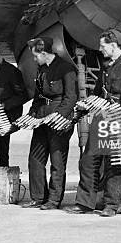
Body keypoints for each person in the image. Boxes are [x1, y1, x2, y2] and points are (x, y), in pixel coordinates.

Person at [66, 29, 121, 217]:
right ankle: (85, 203)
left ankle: (111, 205)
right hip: (100, 118)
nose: (100, 49)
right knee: (88, 160)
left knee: (115, 163)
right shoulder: (106, 66)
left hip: (118, 119)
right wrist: (85, 104)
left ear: (113, 45)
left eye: (103, 46)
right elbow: (97, 93)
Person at [22, 37, 77, 210]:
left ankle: (53, 200)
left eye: (35, 56)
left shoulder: (66, 69)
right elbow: (38, 97)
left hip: (59, 118)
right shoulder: (41, 70)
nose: (34, 59)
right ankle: (38, 197)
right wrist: (31, 115)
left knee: (57, 161)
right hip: (41, 118)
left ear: (44, 53)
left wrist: (59, 116)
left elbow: (71, 97)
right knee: (35, 159)